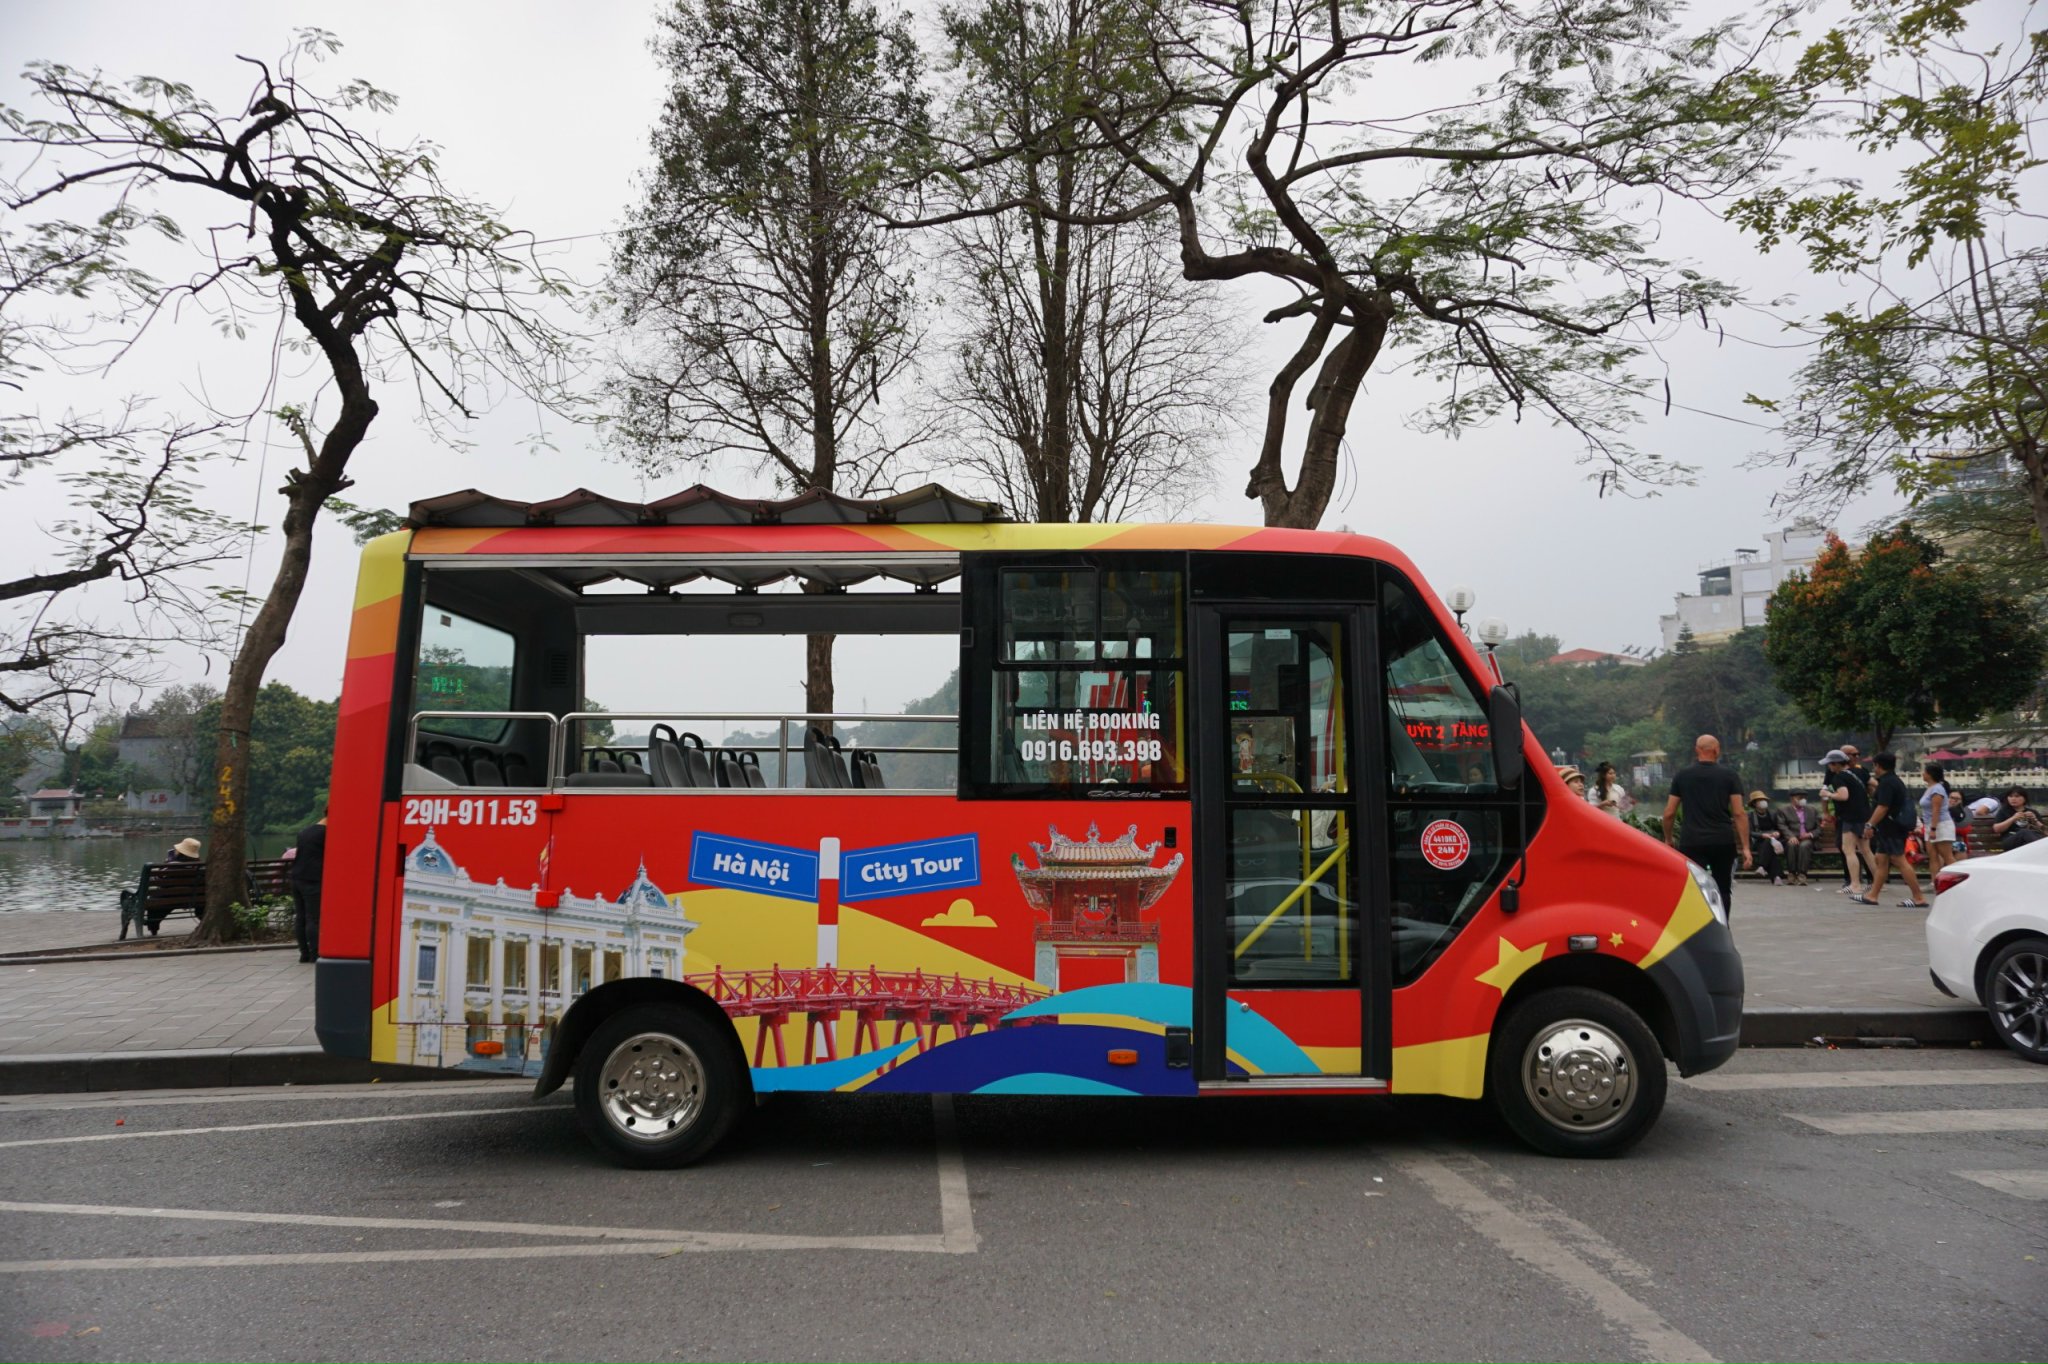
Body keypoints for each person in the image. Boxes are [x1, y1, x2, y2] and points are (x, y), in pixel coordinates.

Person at [1662, 734, 1750, 914]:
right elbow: (1739, 813)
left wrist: (1668, 839)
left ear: (1697, 751)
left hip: (1692, 841)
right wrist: (1746, 847)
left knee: (1694, 889)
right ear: (1717, 751)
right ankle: (1723, 928)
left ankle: (1699, 931)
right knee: (1723, 888)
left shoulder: (1683, 776)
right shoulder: (1729, 776)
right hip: (1722, 840)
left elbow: (1669, 813)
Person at [1857, 752, 1928, 907]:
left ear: (1878, 765)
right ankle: (1873, 896)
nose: (1873, 768)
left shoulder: (1888, 783)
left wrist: (1869, 825)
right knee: (1881, 860)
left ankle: (1918, 897)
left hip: (1892, 828)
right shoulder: (1892, 781)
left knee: (1898, 859)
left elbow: (1883, 807)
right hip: (1888, 828)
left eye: (1874, 765)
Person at [1820, 749, 1872, 897]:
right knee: (1866, 850)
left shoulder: (1839, 778)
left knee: (1848, 849)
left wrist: (1828, 794)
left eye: (1830, 764)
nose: (1829, 767)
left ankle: (1855, 884)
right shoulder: (1855, 774)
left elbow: (1843, 796)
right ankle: (1877, 882)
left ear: (1836, 764)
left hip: (1850, 817)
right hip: (1863, 815)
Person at [291, 807, 327, 965]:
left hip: (296, 877)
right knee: (313, 918)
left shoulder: (305, 832)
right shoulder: (326, 833)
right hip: (313, 879)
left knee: (301, 916)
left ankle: (303, 953)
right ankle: (315, 954)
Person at [1918, 763, 1958, 882]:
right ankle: (1934, 881)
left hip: (1941, 825)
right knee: (1933, 856)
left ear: (1930, 774)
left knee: (1947, 856)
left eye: (1924, 771)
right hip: (1930, 824)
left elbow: (1936, 810)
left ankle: (1959, 879)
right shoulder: (1930, 788)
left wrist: (1933, 829)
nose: (1923, 774)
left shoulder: (1937, 789)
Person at [1777, 790, 1817, 884]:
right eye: (1799, 797)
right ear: (1792, 799)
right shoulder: (1783, 810)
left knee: (1804, 845)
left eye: (1804, 797)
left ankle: (1802, 874)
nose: (1802, 800)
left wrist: (1810, 834)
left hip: (1807, 839)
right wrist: (1790, 836)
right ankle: (1792, 874)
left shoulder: (1812, 810)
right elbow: (1781, 825)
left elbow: (1818, 828)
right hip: (1792, 837)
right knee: (1791, 845)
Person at [1747, 791, 1786, 884]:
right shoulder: (1750, 816)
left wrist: (1777, 833)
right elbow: (1749, 832)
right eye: (1760, 800)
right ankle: (1777, 876)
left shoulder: (1773, 814)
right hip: (1758, 841)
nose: (1763, 802)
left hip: (1774, 841)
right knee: (1768, 846)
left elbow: (1779, 828)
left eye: (1764, 800)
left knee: (1769, 847)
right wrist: (1761, 835)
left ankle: (1762, 867)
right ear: (1754, 804)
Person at [1992, 787, 2045, 851]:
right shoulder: (2003, 811)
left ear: (2024, 798)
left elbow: (2045, 832)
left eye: (2017, 796)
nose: (2013, 799)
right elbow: (1997, 829)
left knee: (2028, 836)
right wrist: (2013, 818)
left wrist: (2035, 820)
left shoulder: (2032, 812)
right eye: (2010, 796)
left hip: (2028, 843)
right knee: (2024, 832)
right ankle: (2043, 849)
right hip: (2010, 841)